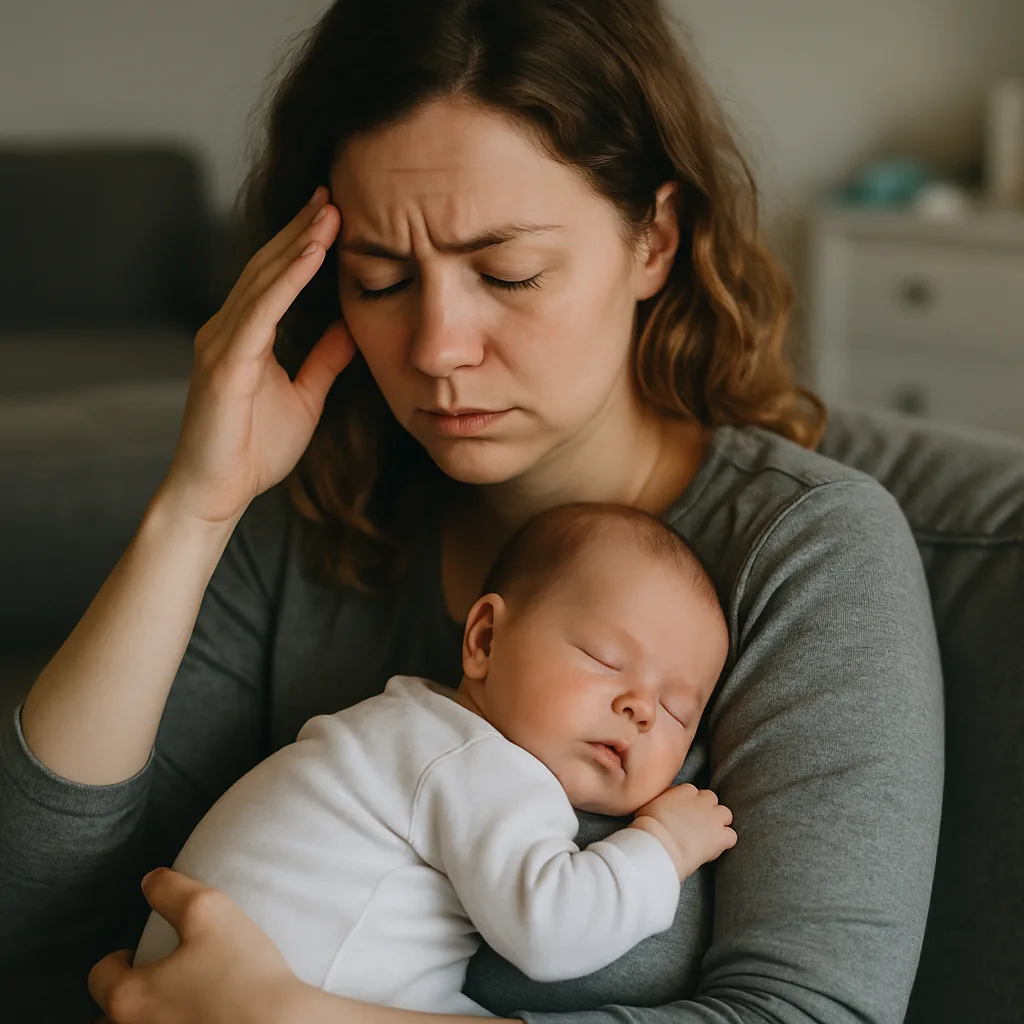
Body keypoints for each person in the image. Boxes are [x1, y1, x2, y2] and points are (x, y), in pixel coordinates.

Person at [0, 0, 943, 1022]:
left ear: (653, 242)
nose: (439, 347)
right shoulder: (322, 500)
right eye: (382, 277)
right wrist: (193, 510)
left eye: (509, 272)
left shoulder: (804, 552)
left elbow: (812, 1012)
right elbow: (36, 916)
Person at [132, 503, 736, 1013]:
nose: (641, 708)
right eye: (605, 658)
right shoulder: (473, 761)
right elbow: (551, 930)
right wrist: (662, 846)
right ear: (485, 641)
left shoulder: (402, 727)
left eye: (678, 711)